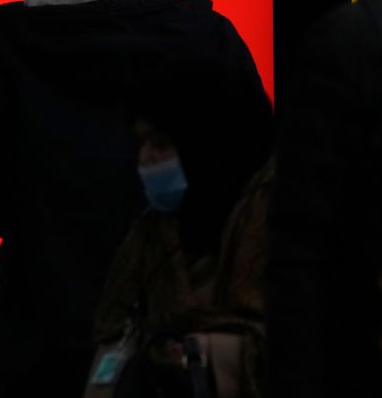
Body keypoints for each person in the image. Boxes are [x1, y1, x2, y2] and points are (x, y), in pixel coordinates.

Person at [0, 0, 271, 396]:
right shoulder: (209, 38)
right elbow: (259, 170)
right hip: (181, 328)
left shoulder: (9, 41)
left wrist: (37, 221)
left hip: (41, 331)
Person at [87, 56, 274, 398]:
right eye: (142, 143)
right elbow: (113, 336)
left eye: (160, 143)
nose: (146, 157)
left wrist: (210, 353)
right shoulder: (151, 234)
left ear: (204, 142)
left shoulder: (277, 218)